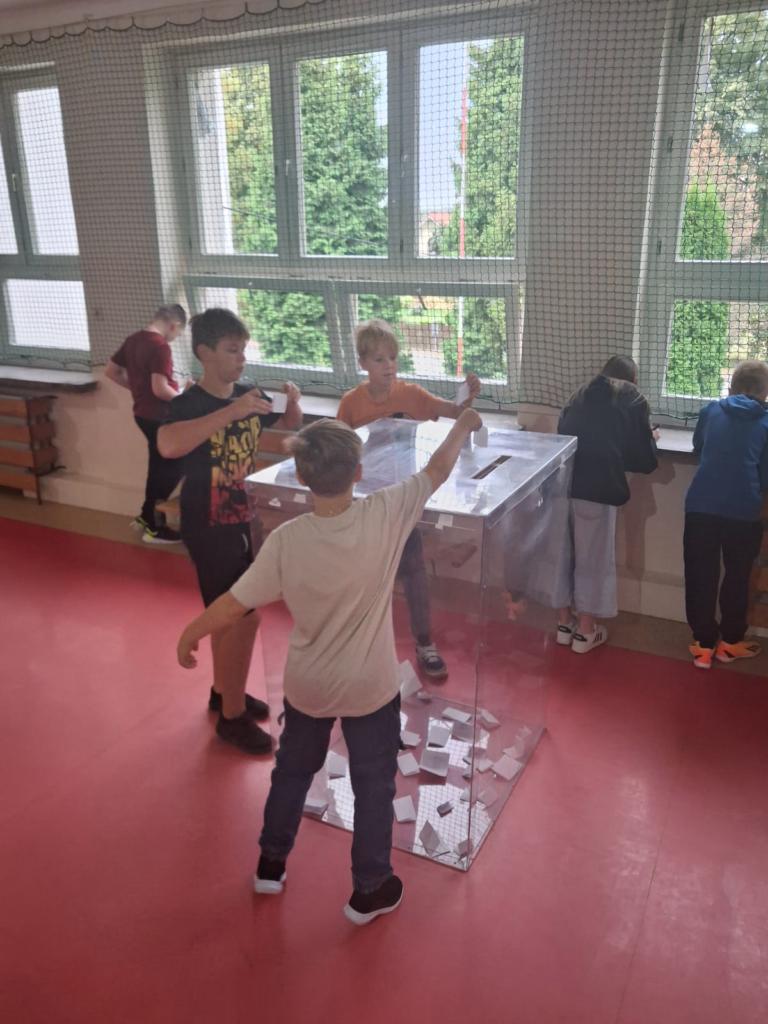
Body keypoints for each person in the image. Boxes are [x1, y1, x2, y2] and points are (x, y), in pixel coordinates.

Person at [176, 409, 483, 925]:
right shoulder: (385, 512)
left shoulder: (286, 540)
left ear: (301, 476)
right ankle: (371, 888)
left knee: (292, 774)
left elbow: (234, 603)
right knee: (374, 786)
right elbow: (437, 469)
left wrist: (192, 632)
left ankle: (270, 865)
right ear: (358, 472)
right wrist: (462, 424)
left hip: (308, 688)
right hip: (369, 689)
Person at [158, 308, 303, 753]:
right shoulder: (189, 403)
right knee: (242, 614)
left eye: (243, 350)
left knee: (228, 612)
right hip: (207, 523)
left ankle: (224, 693)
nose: (241, 358)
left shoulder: (248, 394)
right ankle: (232, 719)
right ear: (205, 353)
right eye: (231, 350)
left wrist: (293, 403)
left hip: (242, 517)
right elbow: (168, 445)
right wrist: (232, 410)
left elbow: (285, 425)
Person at [337, 318, 480, 679]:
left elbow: (452, 412)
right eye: (379, 359)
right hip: (366, 506)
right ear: (363, 363)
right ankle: (359, 646)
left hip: (403, 501)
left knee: (414, 571)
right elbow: (338, 451)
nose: (388, 366)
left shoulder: (411, 395)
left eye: (393, 358)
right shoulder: (351, 404)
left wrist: (466, 399)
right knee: (366, 577)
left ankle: (424, 643)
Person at [556, 355, 658, 653]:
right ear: (633, 379)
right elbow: (644, 461)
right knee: (592, 560)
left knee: (562, 556)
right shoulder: (633, 399)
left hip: (560, 484)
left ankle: (564, 625)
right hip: (598, 489)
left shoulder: (578, 395)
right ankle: (586, 633)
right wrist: (651, 437)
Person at [683, 360, 768, 670]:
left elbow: (699, 446)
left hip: (701, 506)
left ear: (731, 388)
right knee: (738, 576)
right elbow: (765, 473)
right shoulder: (766, 421)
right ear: (765, 392)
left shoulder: (711, 411)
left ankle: (703, 645)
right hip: (743, 511)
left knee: (700, 574)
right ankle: (730, 643)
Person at [105, 304, 188, 543]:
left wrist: (138, 390)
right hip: (160, 416)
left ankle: (146, 515)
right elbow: (160, 389)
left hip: (142, 414)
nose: (174, 339)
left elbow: (111, 372)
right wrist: (184, 399)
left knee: (158, 467)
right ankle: (154, 526)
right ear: (174, 326)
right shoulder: (160, 346)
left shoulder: (133, 340)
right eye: (178, 334)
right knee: (175, 466)